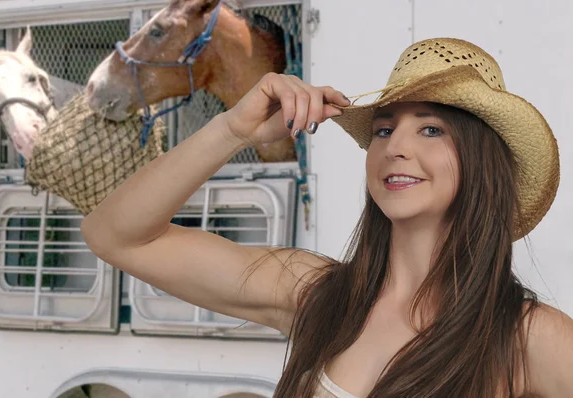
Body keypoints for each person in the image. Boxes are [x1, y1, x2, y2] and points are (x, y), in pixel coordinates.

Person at [81, 37, 573, 397]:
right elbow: (115, 237)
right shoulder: (313, 292)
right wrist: (233, 129)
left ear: (480, 160)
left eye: (430, 129)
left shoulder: (526, 336)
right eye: (383, 130)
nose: (395, 148)